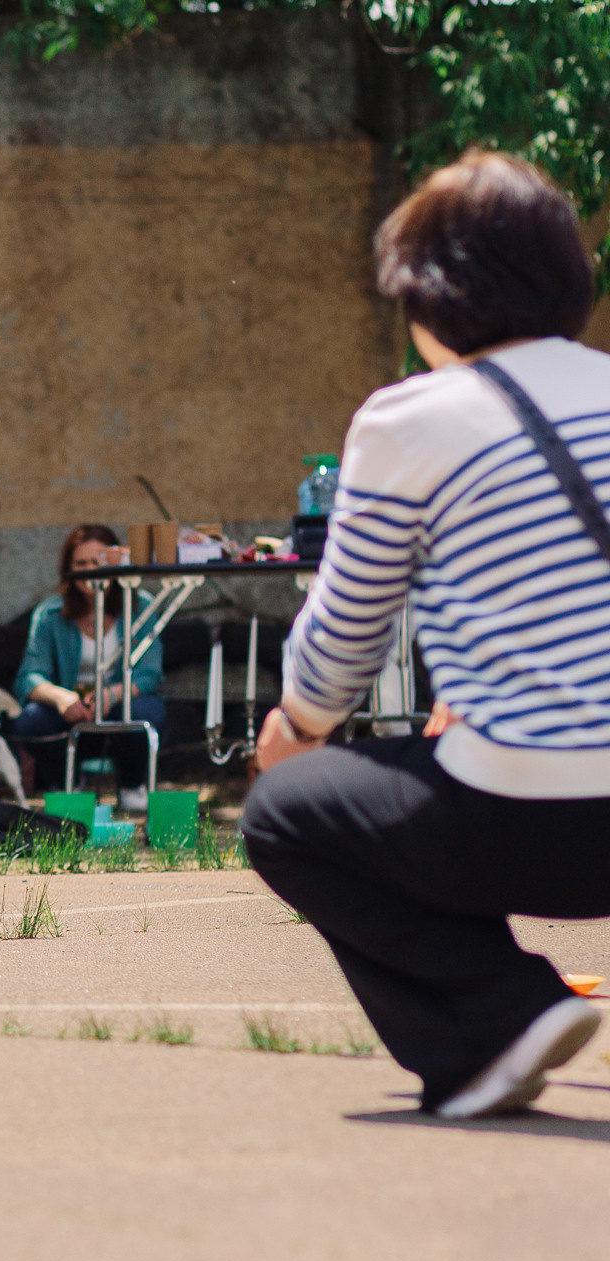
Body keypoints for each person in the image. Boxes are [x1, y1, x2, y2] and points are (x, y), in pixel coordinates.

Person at [242, 150, 610, 1119]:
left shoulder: (410, 418)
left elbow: (339, 650)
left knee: (287, 814)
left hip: (527, 819)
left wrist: (294, 731)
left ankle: (494, 1016)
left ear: (426, 299)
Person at [11, 523, 167, 812]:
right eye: (82, 563)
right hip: (72, 710)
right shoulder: (50, 614)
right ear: (69, 570)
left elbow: (149, 672)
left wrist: (111, 695)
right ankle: (69, 785)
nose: (91, 570)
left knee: (145, 711)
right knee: (31, 720)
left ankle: (132, 785)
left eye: (99, 562)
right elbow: (30, 675)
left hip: (118, 703)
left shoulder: (140, 605)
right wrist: (61, 698)